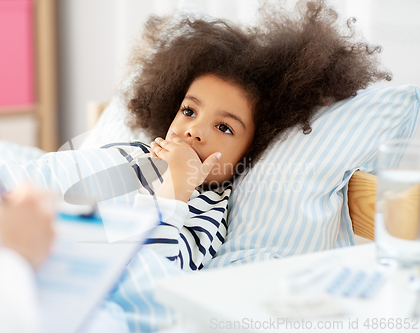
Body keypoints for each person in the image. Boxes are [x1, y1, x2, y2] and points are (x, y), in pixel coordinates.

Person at [114, 0, 391, 270]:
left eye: (224, 127)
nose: (195, 130)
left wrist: (178, 183)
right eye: (188, 110)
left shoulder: (209, 209)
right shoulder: (132, 152)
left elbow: (151, 272)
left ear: (250, 151)